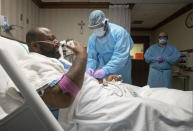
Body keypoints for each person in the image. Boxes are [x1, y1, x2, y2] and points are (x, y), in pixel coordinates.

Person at [6, 27, 191, 131]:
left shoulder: (56, 61)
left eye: (55, 37)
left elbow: (78, 80)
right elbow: (62, 97)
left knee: (159, 95)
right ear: (35, 45)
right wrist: (81, 56)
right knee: (147, 108)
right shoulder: (31, 62)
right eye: (51, 39)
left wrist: (104, 80)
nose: (56, 41)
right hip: (89, 107)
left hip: (102, 92)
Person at [86, 10, 134, 84]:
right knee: (107, 91)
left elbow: (120, 57)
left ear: (105, 23)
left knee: (123, 91)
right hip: (104, 70)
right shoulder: (92, 39)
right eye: (94, 28)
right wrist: (89, 68)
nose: (96, 30)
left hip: (121, 69)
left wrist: (105, 70)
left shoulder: (119, 33)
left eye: (99, 26)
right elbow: (91, 58)